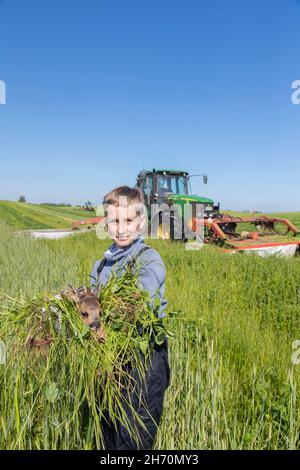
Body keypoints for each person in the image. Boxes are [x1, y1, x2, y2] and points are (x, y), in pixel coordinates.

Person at [90, 185, 170, 450]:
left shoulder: (149, 260)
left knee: (133, 441)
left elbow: (140, 299)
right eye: (114, 221)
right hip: (107, 363)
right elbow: (88, 307)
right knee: (107, 439)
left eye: (128, 220)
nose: (121, 228)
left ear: (141, 222)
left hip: (143, 363)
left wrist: (105, 317)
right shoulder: (100, 265)